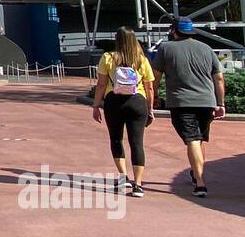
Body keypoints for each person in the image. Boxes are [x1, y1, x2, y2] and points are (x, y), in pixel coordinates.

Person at [150, 17, 226, 198]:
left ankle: (200, 184)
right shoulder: (206, 49)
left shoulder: (166, 48)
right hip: (207, 102)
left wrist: (154, 97)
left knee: (192, 139)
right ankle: (196, 172)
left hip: (181, 102)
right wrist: (221, 103)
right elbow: (219, 78)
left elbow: (155, 76)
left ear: (174, 31)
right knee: (198, 139)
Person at [90, 27, 156, 197]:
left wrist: (96, 105)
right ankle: (139, 184)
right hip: (137, 101)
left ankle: (123, 176)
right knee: (137, 142)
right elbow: (149, 86)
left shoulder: (108, 57)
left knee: (116, 139)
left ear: (116, 40)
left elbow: (101, 84)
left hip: (114, 101)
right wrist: (150, 108)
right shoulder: (142, 60)